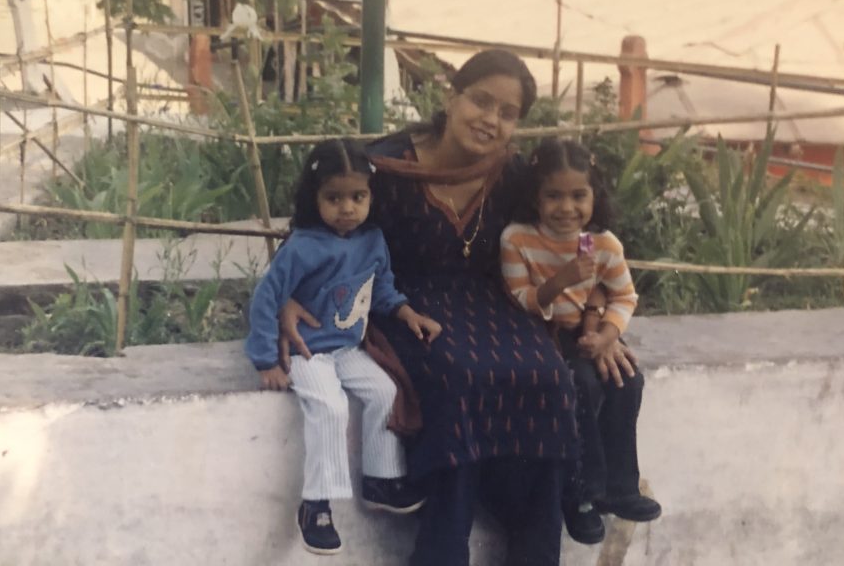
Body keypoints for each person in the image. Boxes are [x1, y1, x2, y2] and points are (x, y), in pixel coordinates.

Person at [280, 49, 579, 566]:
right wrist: (287, 298)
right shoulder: (386, 166)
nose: (491, 120)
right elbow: (312, 230)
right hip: (396, 300)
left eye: (507, 113)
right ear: (450, 96)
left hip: (487, 302)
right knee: (457, 372)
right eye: (481, 101)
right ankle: (443, 546)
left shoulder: (509, 177)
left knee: (549, 372)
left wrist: (601, 317)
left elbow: (566, 237)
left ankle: (536, 542)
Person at [245, 138, 442, 556]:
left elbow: (382, 287)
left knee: (385, 391)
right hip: (307, 352)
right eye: (333, 198)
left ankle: (380, 478)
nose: (347, 208)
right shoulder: (302, 247)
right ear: (313, 198)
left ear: (372, 197)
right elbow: (266, 298)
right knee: (330, 408)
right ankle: (317, 502)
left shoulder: (372, 240)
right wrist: (266, 361)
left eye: (358, 197)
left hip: (347, 347)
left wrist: (407, 313)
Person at [500, 137, 662, 545]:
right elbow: (522, 302)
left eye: (578, 196)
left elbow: (623, 295)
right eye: (553, 195)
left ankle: (621, 487)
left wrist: (607, 336)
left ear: (594, 196)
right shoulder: (518, 239)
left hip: (584, 333)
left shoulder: (599, 243)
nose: (566, 208)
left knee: (628, 380)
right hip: (537, 334)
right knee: (583, 386)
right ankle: (583, 495)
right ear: (535, 198)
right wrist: (561, 280)